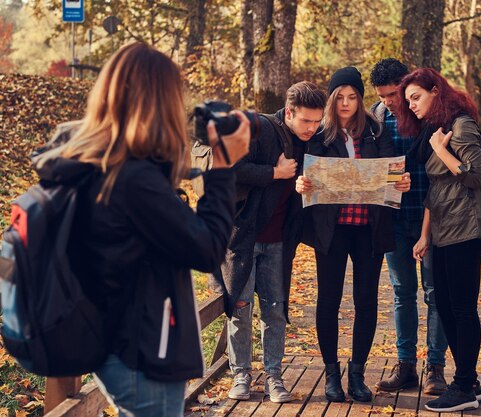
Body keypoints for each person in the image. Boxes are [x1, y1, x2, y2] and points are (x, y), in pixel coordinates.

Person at [33, 42, 250, 417]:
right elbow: (207, 249)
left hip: (112, 339)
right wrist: (224, 166)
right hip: (141, 350)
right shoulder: (131, 178)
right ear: (157, 100)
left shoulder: (95, 161)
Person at [296, 66, 410, 403]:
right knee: (328, 300)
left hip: (368, 229)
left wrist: (400, 182)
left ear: (360, 100)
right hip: (331, 229)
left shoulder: (375, 132)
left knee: (366, 300)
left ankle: (357, 373)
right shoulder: (319, 135)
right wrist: (299, 183)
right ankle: (332, 375)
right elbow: (303, 172)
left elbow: (392, 172)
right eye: (340, 97)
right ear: (331, 100)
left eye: (352, 97)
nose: (346, 103)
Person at [209, 82, 327, 403]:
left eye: (317, 121)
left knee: (275, 311)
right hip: (242, 240)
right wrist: (274, 173)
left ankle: (274, 375)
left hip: (278, 243)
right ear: (288, 112)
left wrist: (304, 185)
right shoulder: (258, 128)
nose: (312, 128)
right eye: (306, 121)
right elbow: (227, 167)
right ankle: (241, 374)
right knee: (240, 308)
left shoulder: (310, 141)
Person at [396, 68, 481, 412]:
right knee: (447, 307)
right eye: (408, 101)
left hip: (467, 226)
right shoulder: (434, 130)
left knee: (462, 309)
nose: (412, 105)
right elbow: (437, 189)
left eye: (416, 97)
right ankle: (470, 381)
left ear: (436, 91)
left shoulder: (462, 126)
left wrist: (442, 149)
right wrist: (425, 235)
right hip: (443, 228)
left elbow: (474, 177)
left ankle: (464, 385)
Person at [369, 58, 448, 394]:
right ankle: (406, 365)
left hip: (433, 217)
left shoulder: (431, 115)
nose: (388, 100)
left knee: (436, 293)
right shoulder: (376, 117)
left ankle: (436, 368)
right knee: (403, 293)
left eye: (392, 93)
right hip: (395, 220)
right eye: (383, 95)